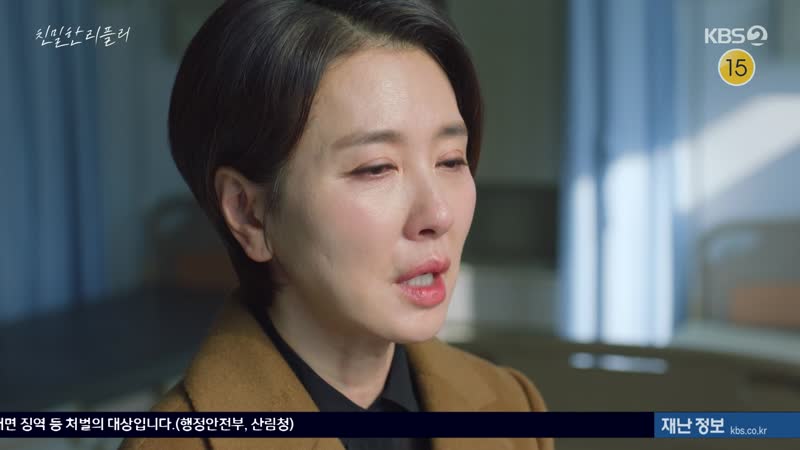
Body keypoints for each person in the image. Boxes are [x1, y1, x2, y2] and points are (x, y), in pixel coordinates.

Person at [120, 0, 553, 449]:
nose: (438, 215)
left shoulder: (511, 408)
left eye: (450, 160)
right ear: (250, 214)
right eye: (376, 168)